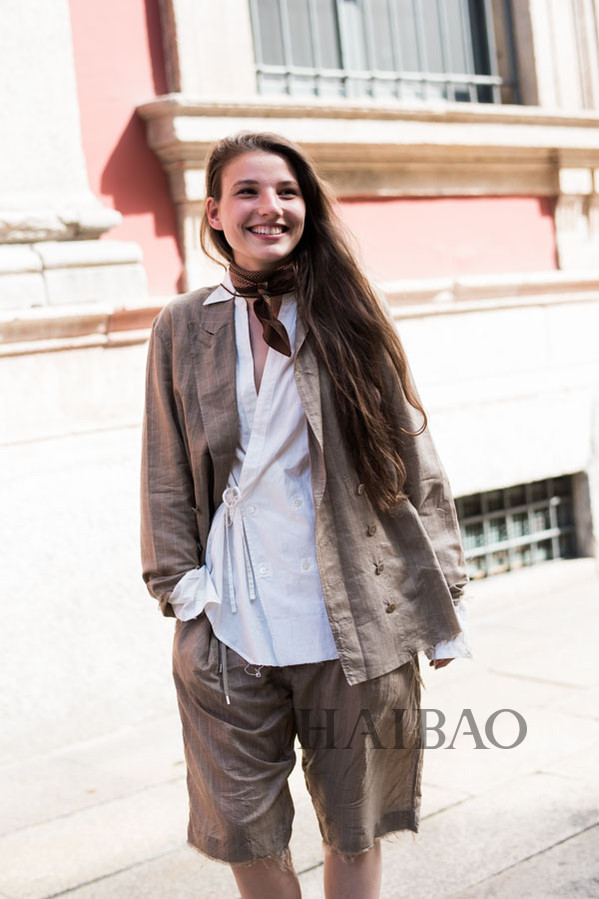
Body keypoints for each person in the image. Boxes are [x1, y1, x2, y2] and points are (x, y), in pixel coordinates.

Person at [141, 131, 470, 899]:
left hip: (349, 617)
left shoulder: (346, 310)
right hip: (229, 621)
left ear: (307, 206)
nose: (270, 206)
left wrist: (442, 598)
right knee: (244, 827)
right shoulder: (183, 324)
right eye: (248, 191)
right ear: (214, 212)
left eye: (286, 191)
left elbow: (412, 458)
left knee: (355, 822)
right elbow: (163, 467)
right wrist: (183, 592)